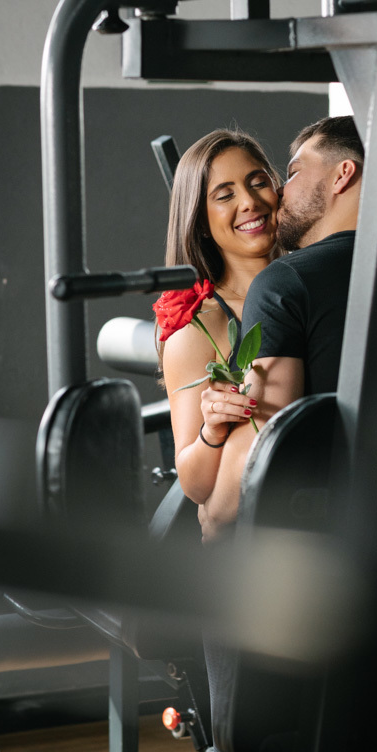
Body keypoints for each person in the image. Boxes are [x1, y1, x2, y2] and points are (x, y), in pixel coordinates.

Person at [197, 115, 377, 543]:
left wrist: (214, 517)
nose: (280, 192)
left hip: (333, 560)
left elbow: (257, 451)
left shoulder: (286, 281)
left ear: (342, 175)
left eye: (294, 172)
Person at [158, 128, 281, 506]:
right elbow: (193, 485)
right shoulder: (199, 329)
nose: (249, 202)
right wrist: (212, 429)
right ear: (201, 222)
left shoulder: (316, 285)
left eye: (258, 182)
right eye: (225, 196)